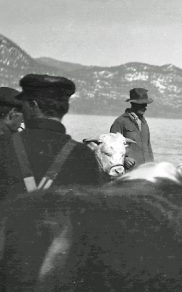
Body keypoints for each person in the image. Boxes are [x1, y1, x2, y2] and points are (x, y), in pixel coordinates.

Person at [0, 74, 103, 202]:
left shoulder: (4, 146)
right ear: (65, 108)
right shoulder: (83, 154)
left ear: (33, 105)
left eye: (23, 104)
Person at [110, 88, 155, 168]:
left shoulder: (144, 123)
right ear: (133, 104)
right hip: (129, 170)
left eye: (145, 104)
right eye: (142, 104)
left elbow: (148, 146)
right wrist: (125, 159)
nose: (145, 107)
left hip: (146, 169)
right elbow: (112, 147)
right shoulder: (120, 122)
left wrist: (152, 165)